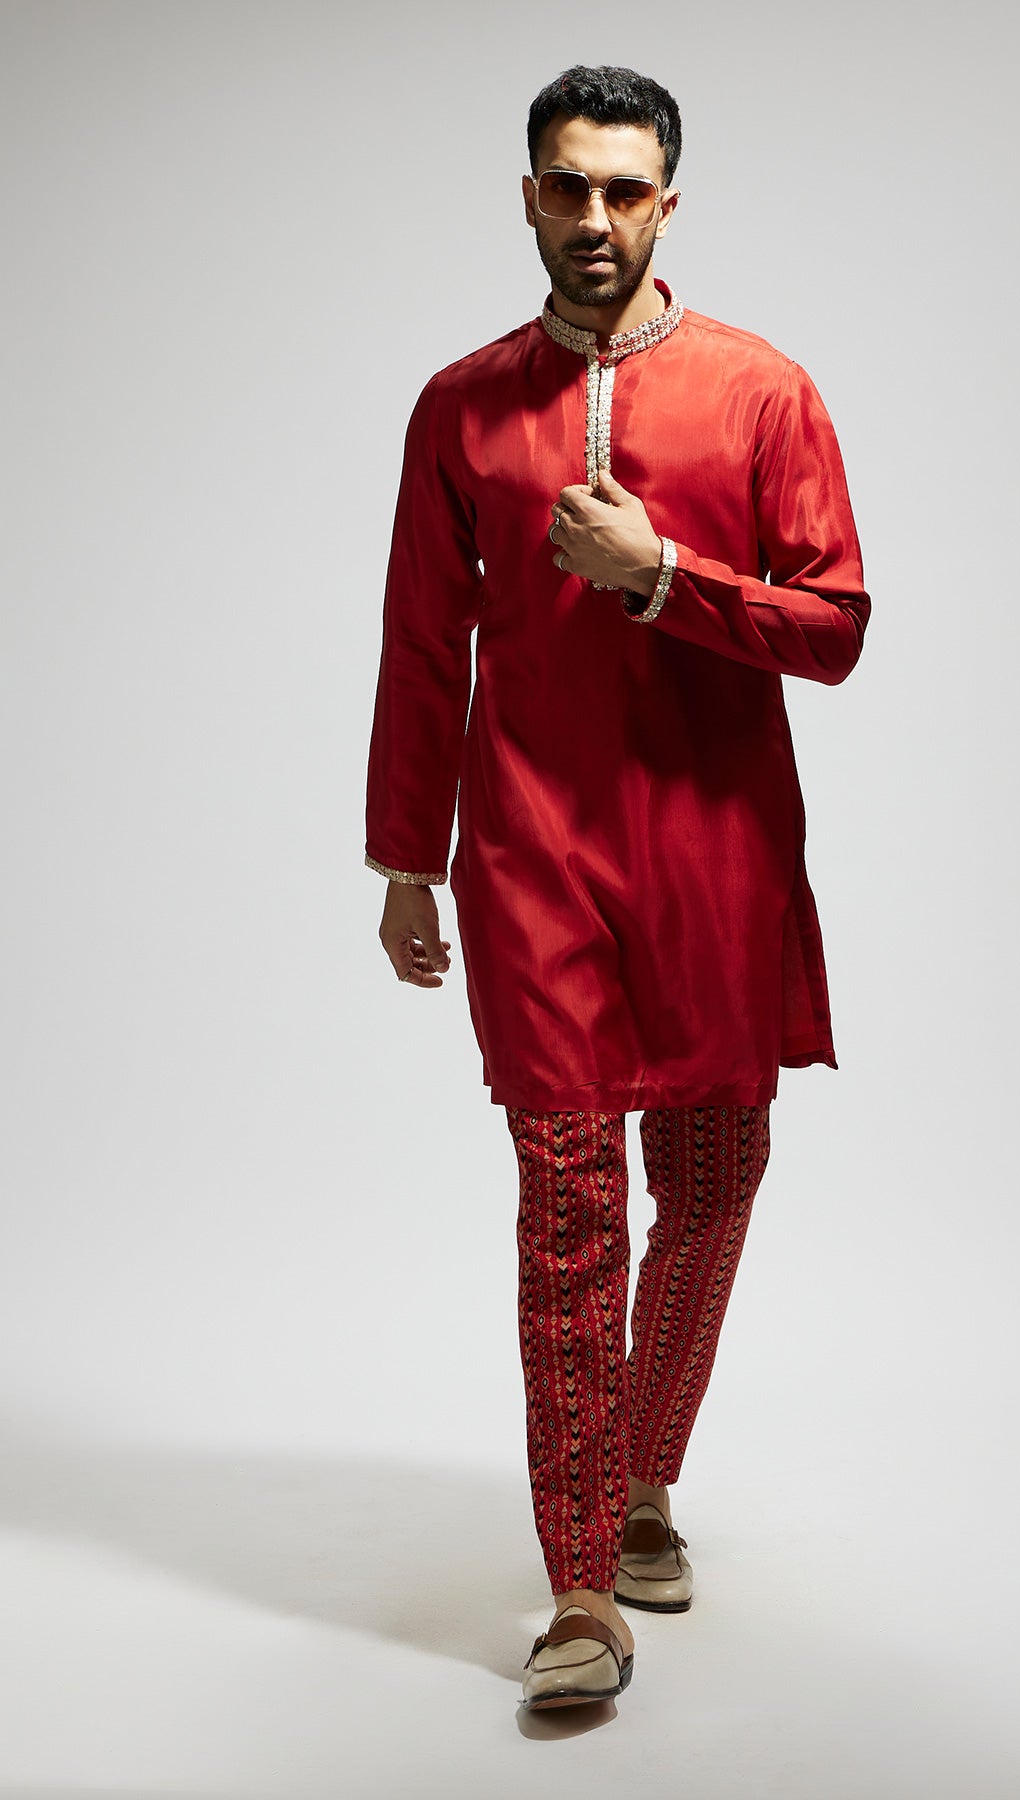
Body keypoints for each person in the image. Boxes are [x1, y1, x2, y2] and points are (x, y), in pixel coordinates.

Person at [364, 64, 871, 1712]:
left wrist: (664, 578)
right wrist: (406, 860)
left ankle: (642, 1471)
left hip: (718, 852)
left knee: (714, 1183)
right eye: (567, 187)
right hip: (532, 855)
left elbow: (836, 627)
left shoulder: (764, 393)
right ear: (529, 196)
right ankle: (584, 1583)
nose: (595, 217)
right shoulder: (461, 409)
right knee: (570, 1209)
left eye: (624, 189)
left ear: (668, 202)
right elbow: (421, 643)